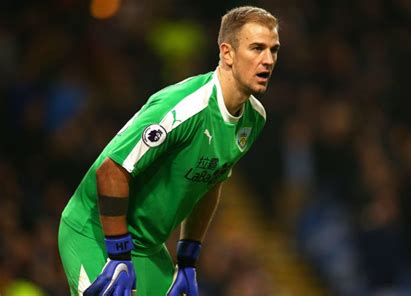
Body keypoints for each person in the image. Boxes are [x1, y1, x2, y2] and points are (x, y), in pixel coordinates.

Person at [58, 5, 280, 296]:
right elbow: (110, 170)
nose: (268, 60)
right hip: (97, 233)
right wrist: (118, 254)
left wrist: (188, 260)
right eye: (256, 48)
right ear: (227, 53)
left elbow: (210, 183)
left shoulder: (254, 119)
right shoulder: (184, 107)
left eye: (273, 50)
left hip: (149, 248)